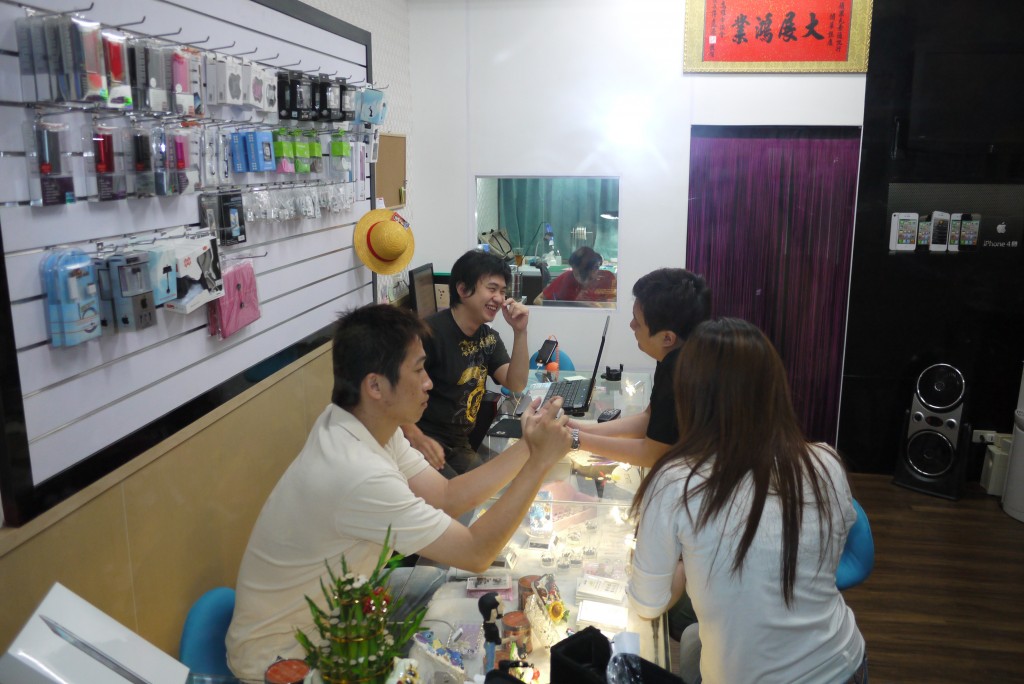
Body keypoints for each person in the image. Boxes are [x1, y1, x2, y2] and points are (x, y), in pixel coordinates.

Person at [225, 304, 570, 681]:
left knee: (452, 590)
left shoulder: (361, 423)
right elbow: (475, 552)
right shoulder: (357, 473)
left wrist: (530, 445)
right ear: (375, 386)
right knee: (464, 621)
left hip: (341, 615)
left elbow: (447, 495)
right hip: (288, 661)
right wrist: (538, 463)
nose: (429, 382)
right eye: (419, 369)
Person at [627, 318, 866, 684]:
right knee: (693, 641)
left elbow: (648, 603)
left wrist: (685, 561)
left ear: (690, 395)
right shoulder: (825, 461)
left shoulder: (676, 482)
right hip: (845, 664)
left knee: (690, 639)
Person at [402, 249, 531, 477]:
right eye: (492, 289)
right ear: (462, 290)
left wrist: (520, 332)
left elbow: (516, 383)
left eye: (502, 292)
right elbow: (394, 393)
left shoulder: (488, 338)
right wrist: (415, 438)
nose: (499, 298)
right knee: (475, 494)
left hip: (459, 445)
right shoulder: (428, 334)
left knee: (497, 484)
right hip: (424, 443)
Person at [566, 268, 710, 469]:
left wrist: (575, 440)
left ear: (667, 338)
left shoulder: (682, 371)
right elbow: (649, 419)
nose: (632, 325)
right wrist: (579, 429)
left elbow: (651, 454)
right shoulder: (676, 354)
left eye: (639, 322)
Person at [533, 245, 616, 305]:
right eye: (573, 269)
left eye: (580, 271)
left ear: (595, 267)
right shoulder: (568, 277)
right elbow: (537, 300)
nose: (575, 274)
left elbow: (614, 308)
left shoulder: (607, 279)